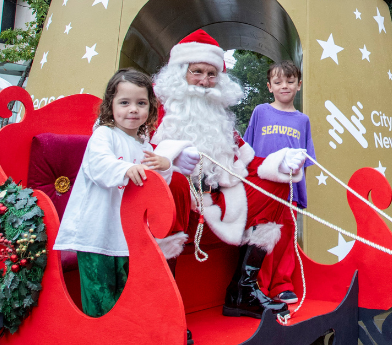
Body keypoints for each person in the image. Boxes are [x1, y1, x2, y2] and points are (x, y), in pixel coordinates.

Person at [150, 30, 307, 320]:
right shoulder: (153, 112)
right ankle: (163, 303)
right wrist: (169, 158)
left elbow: (250, 160)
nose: (204, 81)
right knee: (175, 186)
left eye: (212, 74)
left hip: (218, 207)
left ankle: (242, 290)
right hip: (172, 211)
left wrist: (283, 162)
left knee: (275, 183)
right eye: (196, 71)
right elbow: (134, 156)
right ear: (180, 73)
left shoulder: (221, 121)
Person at [54, 68, 178, 317]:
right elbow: (98, 165)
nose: (133, 109)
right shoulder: (103, 135)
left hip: (125, 233)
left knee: (124, 292)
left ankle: (123, 341)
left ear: (150, 108)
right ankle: (97, 343)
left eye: (141, 103)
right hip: (96, 230)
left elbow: (152, 184)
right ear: (110, 105)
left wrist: (165, 166)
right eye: (124, 102)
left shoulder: (143, 145)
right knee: (99, 294)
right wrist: (127, 168)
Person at [242, 60, 316, 305]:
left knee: (285, 238)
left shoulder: (302, 120)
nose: (284, 86)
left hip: (290, 190)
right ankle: (258, 286)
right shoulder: (260, 112)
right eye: (278, 82)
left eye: (290, 81)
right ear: (269, 86)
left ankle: (282, 284)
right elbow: (248, 150)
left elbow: (307, 158)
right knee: (262, 236)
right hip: (263, 189)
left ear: (299, 85)